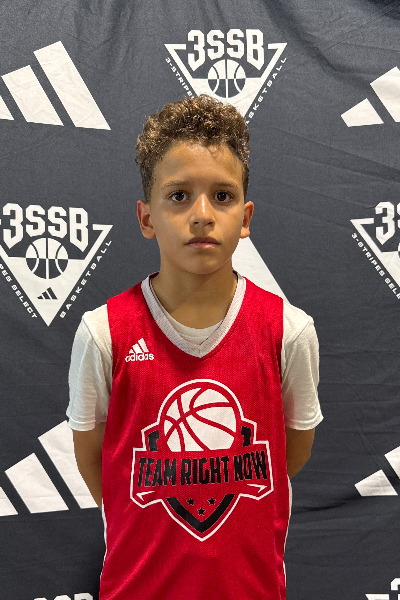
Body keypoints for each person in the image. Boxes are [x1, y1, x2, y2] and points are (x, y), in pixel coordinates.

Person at [67, 93, 323, 600]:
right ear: (146, 218)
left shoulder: (288, 330)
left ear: (245, 217)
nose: (202, 214)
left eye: (222, 196)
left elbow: (289, 451)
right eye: (179, 195)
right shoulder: (103, 331)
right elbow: (97, 461)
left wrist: (211, 477)